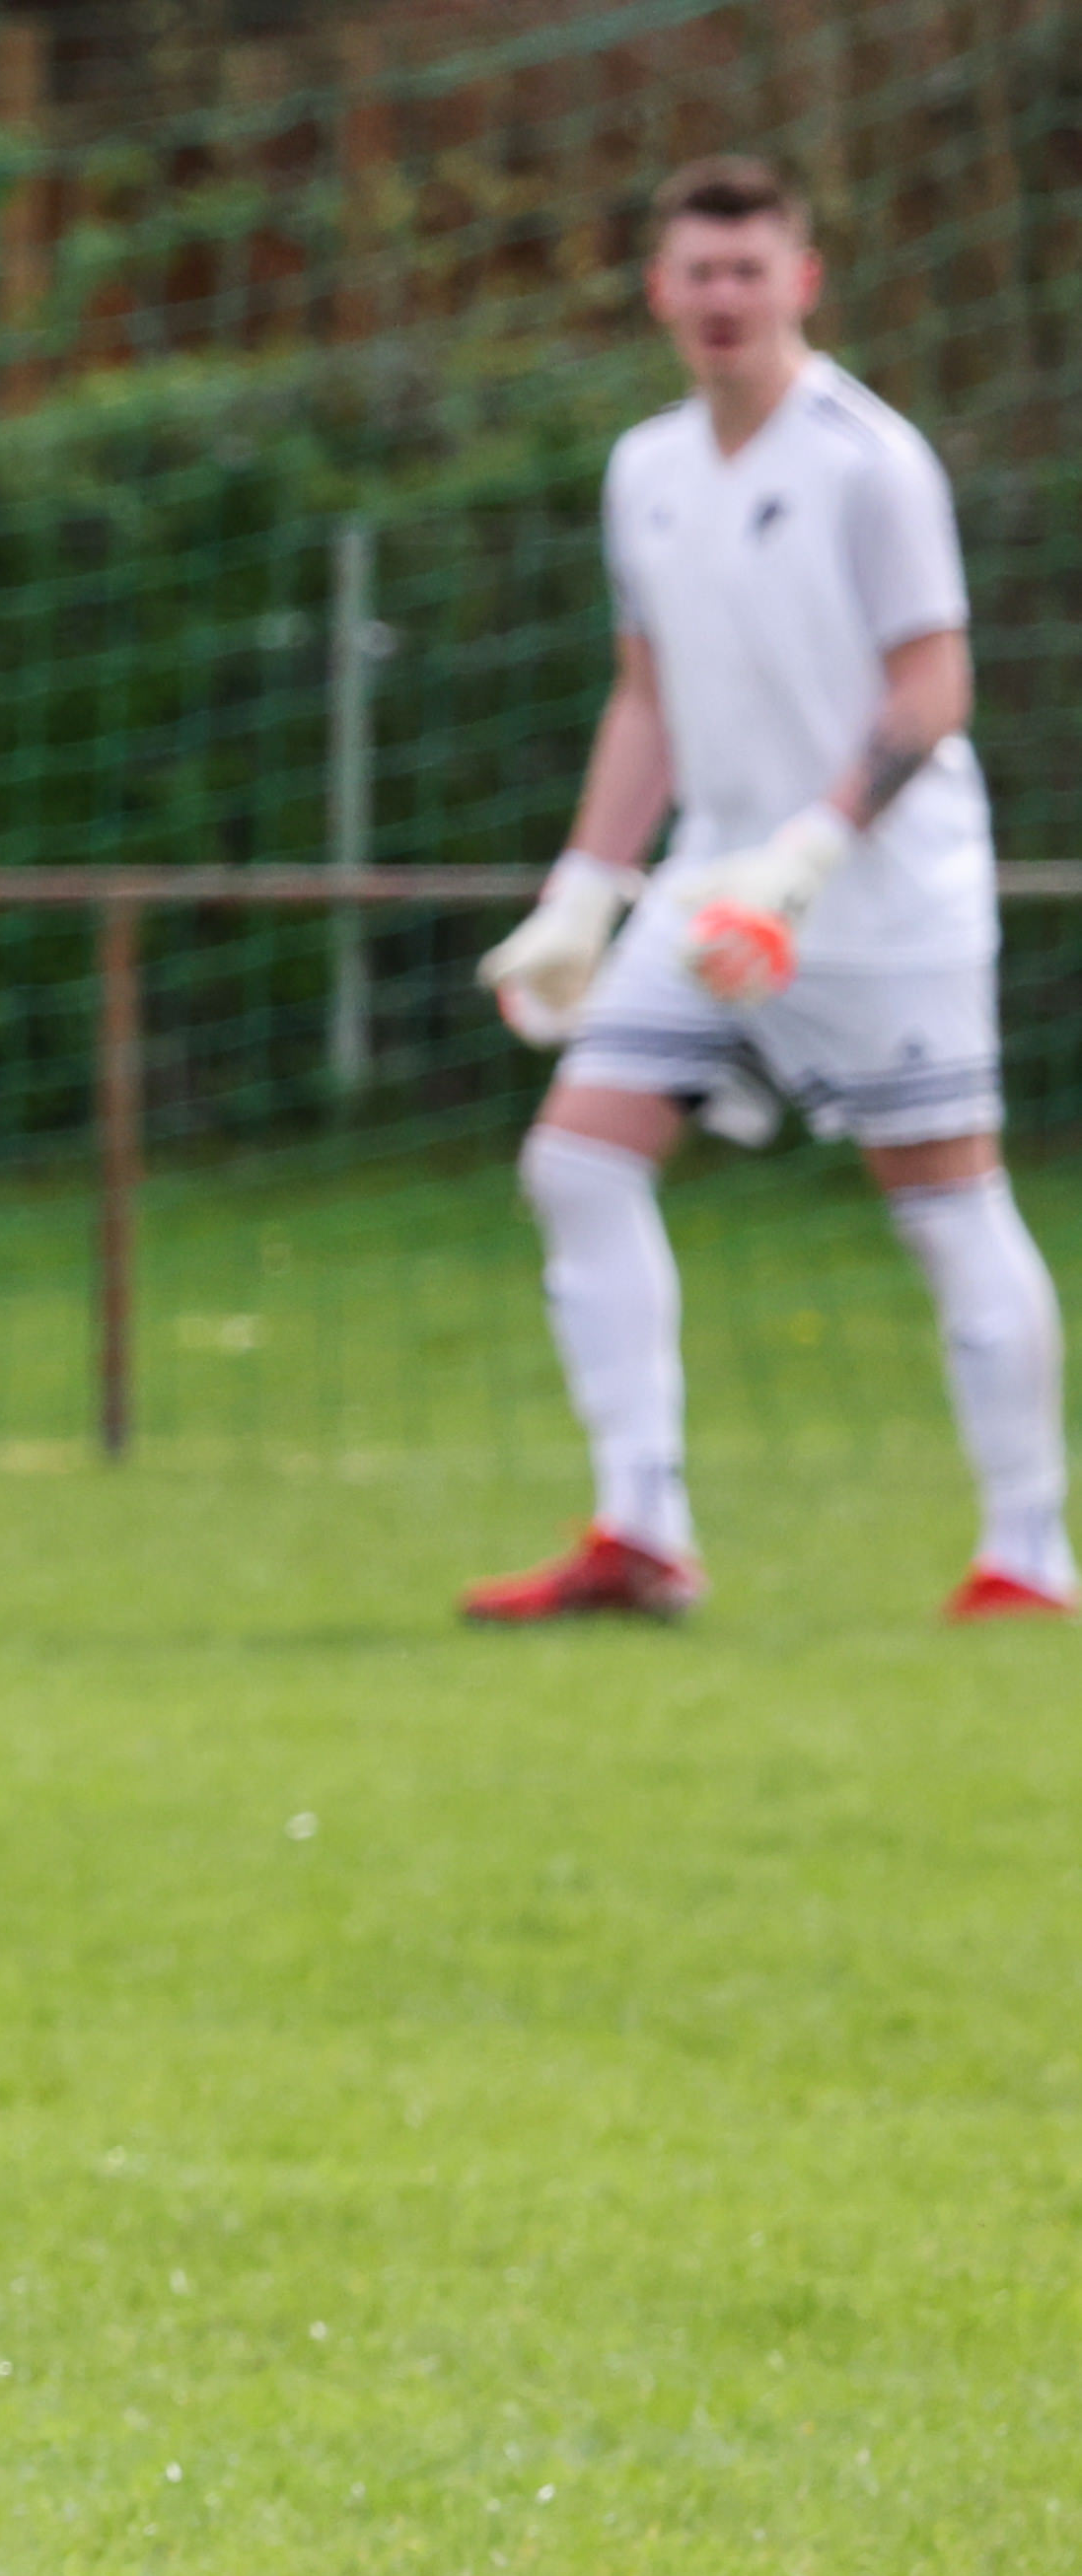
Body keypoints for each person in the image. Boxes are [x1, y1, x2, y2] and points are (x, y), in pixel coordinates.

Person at [466, 155, 1059, 1624]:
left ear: (800, 280)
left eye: (747, 269)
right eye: (697, 271)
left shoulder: (870, 460)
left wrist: (806, 857)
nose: (721, 296)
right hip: (704, 893)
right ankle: (640, 1532)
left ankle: (1028, 1556)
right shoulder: (642, 468)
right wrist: (583, 892)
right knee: (574, 1161)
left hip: (877, 899)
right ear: (657, 290)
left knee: (943, 1204)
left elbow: (931, 689)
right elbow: (645, 699)